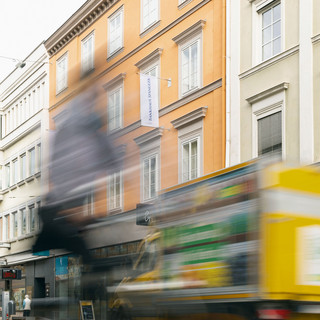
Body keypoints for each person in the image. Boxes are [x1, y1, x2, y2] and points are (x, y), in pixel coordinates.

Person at [32, 83, 121, 265]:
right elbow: (57, 169)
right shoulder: (70, 131)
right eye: (87, 101)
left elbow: (114, 163)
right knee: (81, 250)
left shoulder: (98, 136)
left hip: (72, 204)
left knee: (83, 251)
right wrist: (72, 210)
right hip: (62, 205)